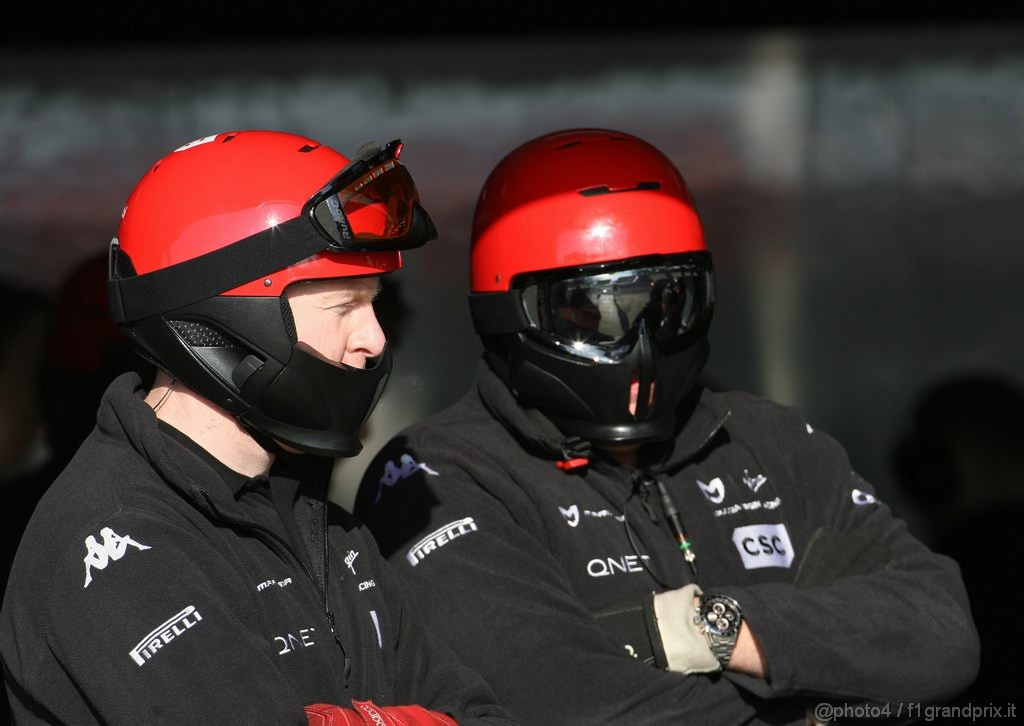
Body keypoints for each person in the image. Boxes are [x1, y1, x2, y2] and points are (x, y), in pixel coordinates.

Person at [354, 128, 981, 725]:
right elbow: (573, 706)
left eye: (666, 303)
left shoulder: (762, 437)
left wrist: (703, 628)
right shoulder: (438, 475)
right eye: (591, 312)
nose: (641, 344)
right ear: (506, 314)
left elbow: (941, 631)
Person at [0, 130, 516, 725]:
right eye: (343, 305)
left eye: (372, 302)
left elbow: (481, 712)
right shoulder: (114, 545)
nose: (374, 340)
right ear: (227, 320)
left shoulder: (320, 522)